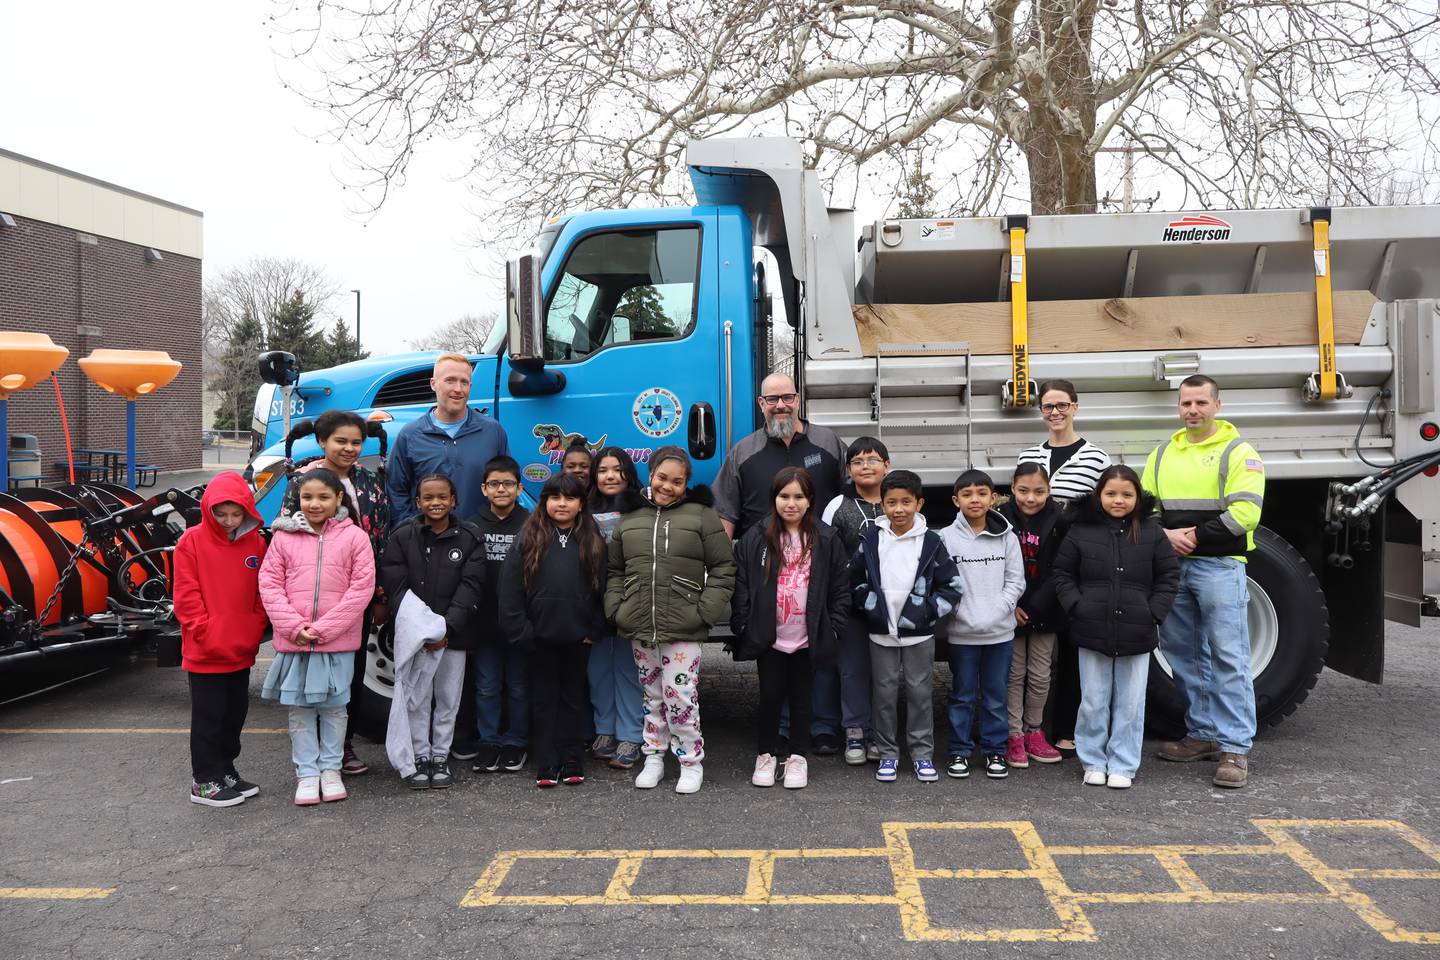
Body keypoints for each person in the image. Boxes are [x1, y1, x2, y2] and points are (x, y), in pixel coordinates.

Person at [714, 372, 849, 756]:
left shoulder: (828, 443)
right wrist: (725, 572)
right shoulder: (743, 451)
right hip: (766, 562)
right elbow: (726, 511)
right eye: (771, 400)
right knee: (777, 650)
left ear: (798, 398)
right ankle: (781, 731)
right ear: (761, 405)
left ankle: (821, 728)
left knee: (817, 641)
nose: (780, 405)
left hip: (817, 560)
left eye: (786, 397)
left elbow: (847, 499)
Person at [1142, 374, 1264, 789]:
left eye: (1200, 403)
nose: (1192, 410)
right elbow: (1145, 509)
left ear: (1217, 405)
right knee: (1184, 655)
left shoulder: (1238, 451)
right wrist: (1164, 535)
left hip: (1219, 566)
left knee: (1229, 656)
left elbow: (1246, 513)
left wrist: (1192, 537)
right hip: (1175, 568)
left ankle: (1234, 748)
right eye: (1185, 404)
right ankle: (1203, 734)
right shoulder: (1162, 453)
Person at [606, 446, 736, 794]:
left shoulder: (701, 516)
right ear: (650, 475)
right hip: (640, 623)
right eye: (662, 478)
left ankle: (690, 762)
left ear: (686, 484)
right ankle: (654, 757)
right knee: (652, 696)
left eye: (677, 481)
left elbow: (724, 568)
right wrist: (617, 608)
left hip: (684, 626)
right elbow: (615, 570)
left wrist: (704, 612)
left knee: (680, 694)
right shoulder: (630, 517)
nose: (668, 486)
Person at [1053, 465, 1180, 789]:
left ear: (1138, 497)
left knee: (1131, 702)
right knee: (1094, 699)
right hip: (1091, 629)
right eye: (1111, 493)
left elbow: (1168, 576)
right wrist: (1077, 607)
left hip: (1137, 630)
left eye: (1126, 494)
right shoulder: (1081, 530)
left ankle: (1123, 763)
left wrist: (1154, 613)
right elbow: (1063, 573)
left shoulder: (1150, 532)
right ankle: (1093, 760)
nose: (1118, 500)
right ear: (1099, 496)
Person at [279, 409, 390, 777]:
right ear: (322, 441)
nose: (349, 448)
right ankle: (310, 754)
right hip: (311, 596)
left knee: (351, 673)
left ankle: (342, 746)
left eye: (356, 442)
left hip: (357, 595)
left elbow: (383, 536)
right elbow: (287, 536)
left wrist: (379, 595)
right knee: (311, 679)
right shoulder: (302, 481)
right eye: (341, 441)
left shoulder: (372, 480)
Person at [259, 468, 376, 806]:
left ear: (339, 498)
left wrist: (325, 629)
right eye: (307, 497)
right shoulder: (283, 538)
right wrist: (294, 626)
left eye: (323, 497)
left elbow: (361, 588)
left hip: (336, 642)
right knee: (300, 710)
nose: (314, 504)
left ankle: (331, 769)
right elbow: (269, 585)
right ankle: (307, 773)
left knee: (335, 709)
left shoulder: (355, 537)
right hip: (295, 641)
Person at [731, 468, 850, 789]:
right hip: (770, 635)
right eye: (784, 496)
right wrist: (743, 622)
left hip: (807, 636)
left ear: (811, 500)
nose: (791, 503)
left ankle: (798, 757)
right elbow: (742, 582)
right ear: (774, 499)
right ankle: (766, 755)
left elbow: (840, 587)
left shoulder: (825, 538)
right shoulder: (757, 536)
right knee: (769, 696)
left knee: (802, 698)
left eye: (799, 496)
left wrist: (833, 627)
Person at [1017, 379, 1110, 757]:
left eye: (1062, 405)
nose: (1055, 413)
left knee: (1073, 650)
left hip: (1078, 565)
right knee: (1033, 656)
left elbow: (1105, 510)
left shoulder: (1095, 458)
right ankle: (1025, 730)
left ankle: (1067, 730)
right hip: (1036, 566)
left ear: (1075, 407)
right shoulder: (1030, 455)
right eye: (1048, 407)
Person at [850, 470, 963, 784]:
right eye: (891, 503)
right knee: (884, 694)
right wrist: (871, 607)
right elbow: (854, 581)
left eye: (906, 502)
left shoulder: (931, 542)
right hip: (880, 632)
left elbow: (951, 587)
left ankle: (922, 754)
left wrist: (925, 612)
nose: (898, 509)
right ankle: (887, 754)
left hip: (919, 634)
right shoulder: (871, 539)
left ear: (919, 503)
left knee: (920, 694)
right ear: (882, 505)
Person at [499, 473, 608, 788]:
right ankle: (546, 760)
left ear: (581, 504)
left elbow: (604, 586)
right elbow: (510, 589)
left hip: (578, 636)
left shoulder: (592, 539)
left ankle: (573, 758)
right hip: (539, 638)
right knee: (544, 699)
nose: (562, 504)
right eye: (555, 497)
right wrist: (523, 631)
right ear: (544, 501)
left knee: (574, 698)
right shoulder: (528, 537)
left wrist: (595, 627)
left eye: (570, 498)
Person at [380, 474, 486, 790]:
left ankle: (440, 756)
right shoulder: (402, 536)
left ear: (454, 500)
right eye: (428, 497)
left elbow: (471, 586)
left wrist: (446, 628)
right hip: (416, 638)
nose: (435, 503)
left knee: (448, 698)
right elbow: (395, 585)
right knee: (417, 698)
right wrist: (423, 630)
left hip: (452, 636)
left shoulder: (469, 537)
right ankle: (420, 756)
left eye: (442, 497)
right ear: (418, 502)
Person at [172, 471, 269, 807]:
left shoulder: (256, 542)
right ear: (207, 510)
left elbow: (261, 593)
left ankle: (225, 769)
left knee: (234, 714)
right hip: (206, 651)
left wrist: (255, 627)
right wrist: (203, 630)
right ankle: (204, 780)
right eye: (221, 513)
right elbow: (185, 595)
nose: (229, 521)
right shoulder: (191, 542)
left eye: (236, 513)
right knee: (208, 718)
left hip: (240, 647)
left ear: (247, 511)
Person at [939, 469, 1026, 781]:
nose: (974, 500)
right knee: (961, 695)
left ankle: (994, 750)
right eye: (966, 494)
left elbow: (1016, 582)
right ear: (955, 500)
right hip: (962, 634)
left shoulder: (1008, 537)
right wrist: (961, 613)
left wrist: (998, 611)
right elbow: (944, 584)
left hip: (999, 634)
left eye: (981, 493)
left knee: (994, 695)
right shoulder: (945, 539)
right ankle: (959, 751)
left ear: (993, 497)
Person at [820, 437, 890, 765]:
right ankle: (855, 732)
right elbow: (826, 555)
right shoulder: (838, 506)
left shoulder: (898, 501)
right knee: (852, 670)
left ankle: (880, 733)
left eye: (873, 460)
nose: (866, 466)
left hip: (892, 604)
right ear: (848, 469)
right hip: (851, 604)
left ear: (887, 466)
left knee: (884, 672)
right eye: (858, 461)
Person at [995, 462, 1067, 768]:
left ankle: (1034, 731)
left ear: (1049, 490)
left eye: (1039, 491)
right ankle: (1013, 735)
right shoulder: (1000, 519)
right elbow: (996, 567)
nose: (1031, 498)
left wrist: (1035, 606)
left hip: (1046, 609)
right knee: (1013, 674)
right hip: (1011, 609)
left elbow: (1062, 568)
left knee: (1040, 674)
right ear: (1012, 488)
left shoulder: (1060, 519)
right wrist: (1013, 605)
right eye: (1023, 490)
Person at [387, 353, 510, 524]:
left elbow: (507, 484)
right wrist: (411, 533)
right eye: (450, 380)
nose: (458, 389)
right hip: (427, 543)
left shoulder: (493, 431)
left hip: (479, 542)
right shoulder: (409, 435)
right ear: (433, 384)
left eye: (464, 382)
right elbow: (396, 491)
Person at [468, 456, 531, 774]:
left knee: (519, 685)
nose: (501, 489)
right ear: (484, 488)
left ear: (519, 488)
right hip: (484, 623)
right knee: (487, 686)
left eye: (508, 483)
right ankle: (489, 740)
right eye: (494, 484)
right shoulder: (472, 524)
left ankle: (516, 741)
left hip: (518, 623)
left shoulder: (530, 523)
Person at [586, 446, 648, 770]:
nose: (610, 476)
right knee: (597, 671)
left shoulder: (641, 509)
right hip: (593, 602)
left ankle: (630, 735)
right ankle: (604, 730)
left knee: (628, 670)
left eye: (617, 469)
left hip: (629, 601)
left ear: (628, 473)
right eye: (603, 470)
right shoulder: (583, 510)